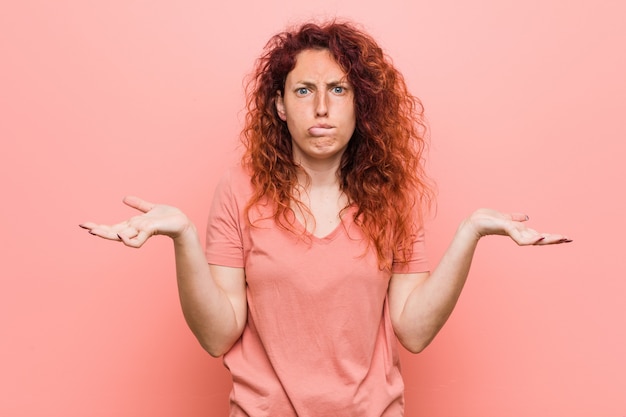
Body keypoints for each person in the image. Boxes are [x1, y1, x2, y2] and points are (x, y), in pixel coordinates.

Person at [79, 20, 571, 417]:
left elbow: (414, 331)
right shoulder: (239, 189)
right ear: (278, 105)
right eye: (303, 91)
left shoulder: (391, 198)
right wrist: (182, 237)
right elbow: (217, 335)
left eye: (338, 89)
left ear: (361, 103)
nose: (320, 108)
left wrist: (471, 232)